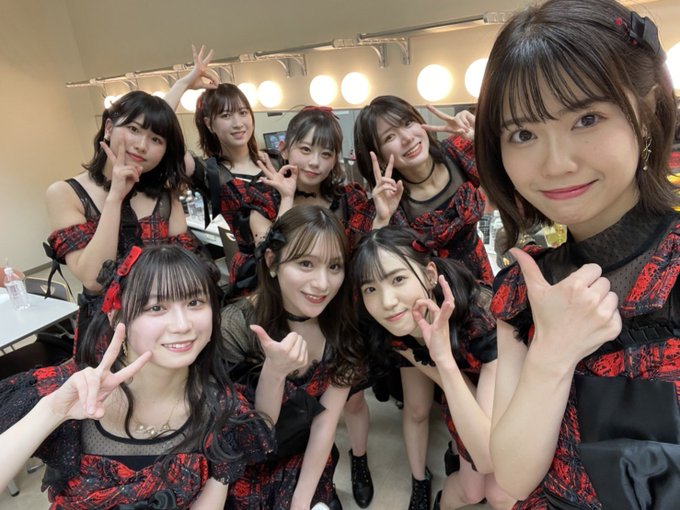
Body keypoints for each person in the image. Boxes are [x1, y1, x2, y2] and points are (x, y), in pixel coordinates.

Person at [474, 0, 680, 508]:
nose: (556, 164)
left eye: (587, 118)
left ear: (646, 111)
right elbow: (514, 477)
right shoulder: (523, 288)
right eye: (524, 133)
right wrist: (553, 353)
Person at [0, 245, 272, 508]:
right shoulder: (69, 389)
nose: (182, 325)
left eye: (194, 302)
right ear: (116, 316)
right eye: (156, 307)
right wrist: (53, 411)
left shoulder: (222, 409)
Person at [353, 97, 492, 509]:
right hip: (419, 308)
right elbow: (375, 267)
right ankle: (419, 479)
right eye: (389, 137)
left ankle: (460, 448)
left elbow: (508, 183)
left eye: (408, 123)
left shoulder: (459, 153)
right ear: (377, 154)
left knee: (478, 385)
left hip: (477, 294)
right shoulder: (389, 200)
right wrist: (382, 217)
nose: (407, 138)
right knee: (417, 407)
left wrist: (482, 138)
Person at [249, 107, 383, 507]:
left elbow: (361, 255)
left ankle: (360, 459)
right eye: (305, 149)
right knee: (290, 396)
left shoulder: (348, 198)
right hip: (285, 309)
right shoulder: (265, 197)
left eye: (326, 154)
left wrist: (381, 218)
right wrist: (287, 198)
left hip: (341, 309)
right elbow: (274, 254)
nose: (314, 162)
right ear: (286, 148)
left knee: (351, 400)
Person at [351, 226, 515, 510]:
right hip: (456, 385)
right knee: (472, 491)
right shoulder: (385, 327)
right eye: (371, 289)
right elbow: (439, 380)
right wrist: (442, 364)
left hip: (505, 389)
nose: (387, 302)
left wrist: (444, 360)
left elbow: (487, 454)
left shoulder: (481, 316)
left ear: (429, 275)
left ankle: (455, 454)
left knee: (501, 493)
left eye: (398, 279)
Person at [220, 205, 366, 510]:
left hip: (304, 458)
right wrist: (274, 373)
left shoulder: (341, 326)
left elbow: (325, 422)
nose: (322, 283)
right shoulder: (237, 326)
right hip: (244, 462)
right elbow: (252, 433)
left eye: (334, 266)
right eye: (305, 263)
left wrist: (300, 501)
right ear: (272, 262)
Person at [45, 90, 199, 350]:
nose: (141, 145)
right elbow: (94, 279)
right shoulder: (64, 193)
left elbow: (184, 268)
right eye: (133, 129)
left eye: (156, 139)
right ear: (108, 128)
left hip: (167, 324)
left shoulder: (165, 195)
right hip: (106, 330)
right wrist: (115, 198)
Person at [163, 46, 270, 294]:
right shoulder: (208, 171)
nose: (238, 123)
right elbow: (158, 128)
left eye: (243, 113)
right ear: (209, 124)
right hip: (252, 279)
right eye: (226, 115)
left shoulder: (274, 161)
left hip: (293, 263)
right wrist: (183, 84)